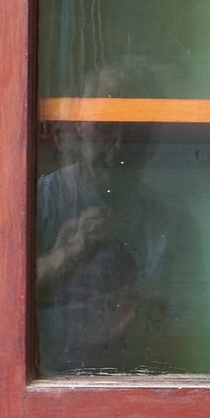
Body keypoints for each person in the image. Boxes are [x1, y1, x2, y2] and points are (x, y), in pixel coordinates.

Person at [35, 68, 200, 375]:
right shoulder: (39, 201)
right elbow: (0, 299)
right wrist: (72, 251)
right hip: (47, 384)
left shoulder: (171, 222)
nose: (121, 141)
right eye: (107, 126)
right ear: (79, 127)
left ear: (153, 138)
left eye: (137, 130)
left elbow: (185, 329)